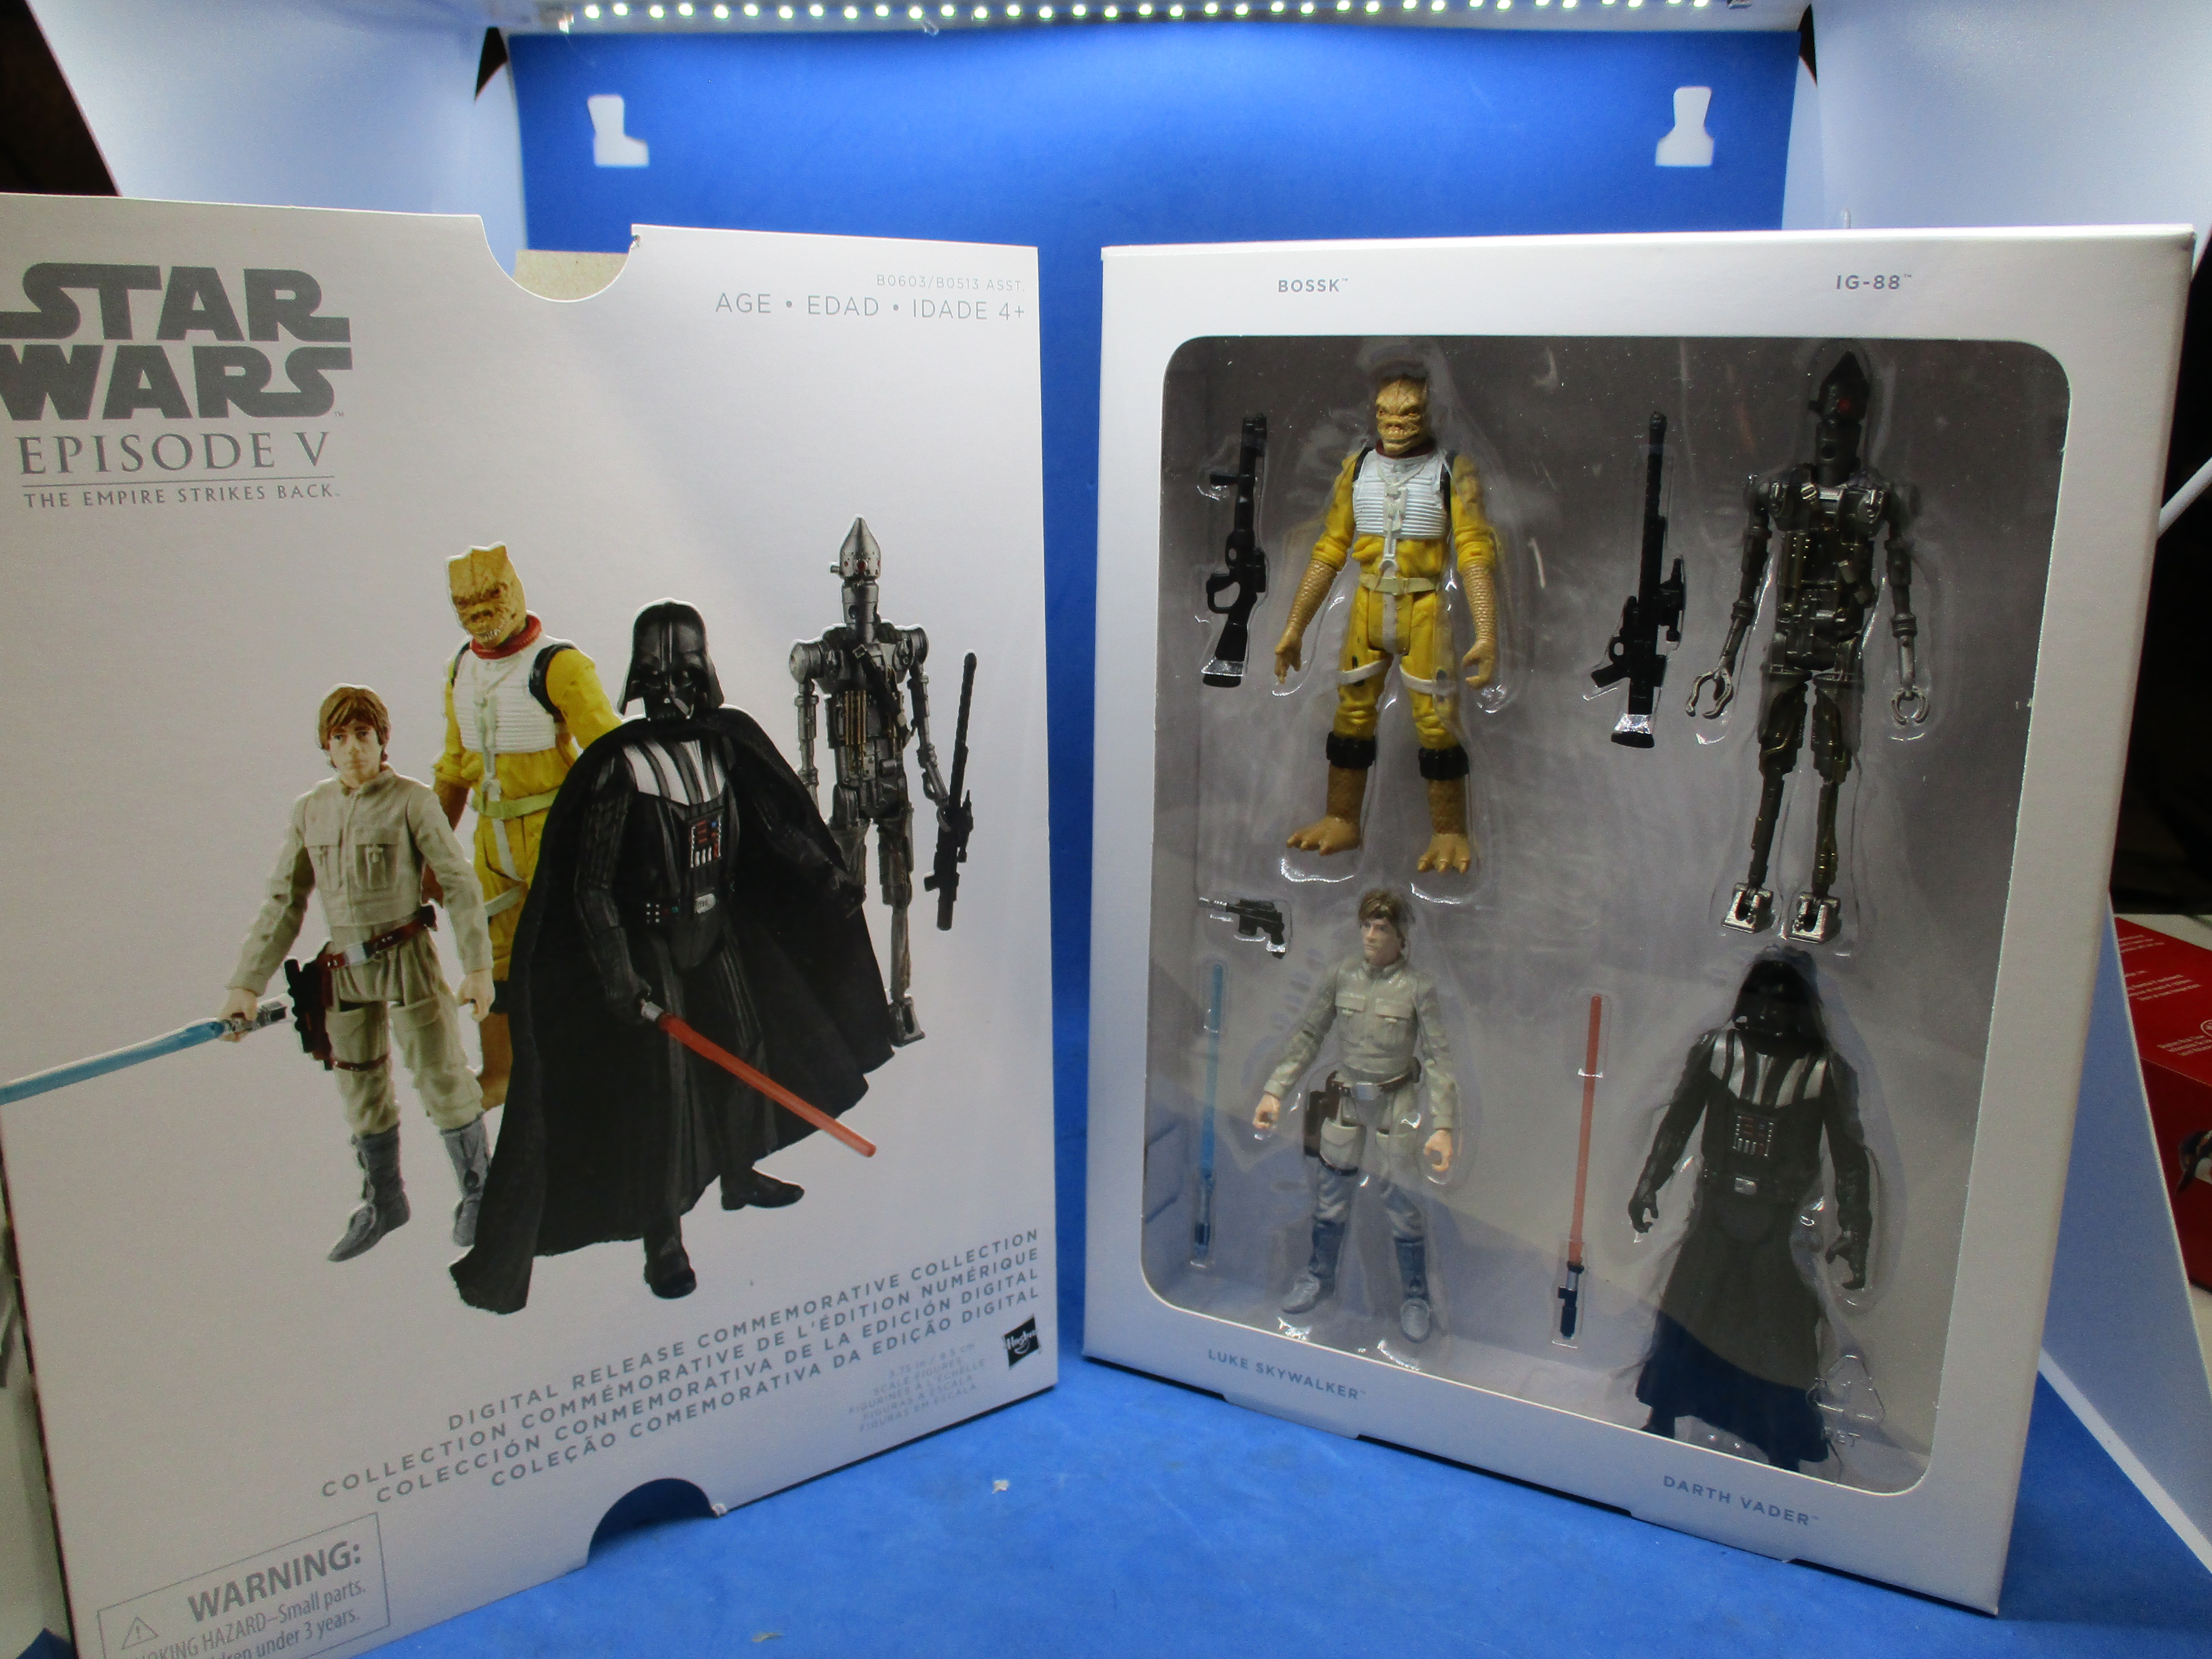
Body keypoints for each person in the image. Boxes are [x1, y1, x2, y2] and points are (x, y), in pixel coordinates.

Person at [451, 601, 897, 1313]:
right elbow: (591, 886)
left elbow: (775, 829)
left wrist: (826, 875)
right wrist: (619, 974)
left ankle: (740, 1175)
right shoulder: (618, 767)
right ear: (637, 682)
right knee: (666, 1090)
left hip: (718, 928)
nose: (671, 694)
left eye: (684, 677)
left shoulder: (725, 748)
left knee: (746, 1046)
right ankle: (664, 1237)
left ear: (704, 675)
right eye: (656, 681)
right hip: (651, 940)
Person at [219, 685, 494, 1262]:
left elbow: (459, 882)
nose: (352, 749)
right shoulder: (311, 811)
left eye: (363, 735)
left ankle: (481, 1194)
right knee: (360, 1089)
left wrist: (477, 967)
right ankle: (384, 1200)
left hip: (407, 960)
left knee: (442, 1076)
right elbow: (284, 901)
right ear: (326, 745)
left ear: (381, 739)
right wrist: (246, 985)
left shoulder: (413, 802)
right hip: (342, 971)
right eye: (340, 738)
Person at [1628, 952, 1873, 1472]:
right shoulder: (1718, 1051)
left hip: (1779, 1219)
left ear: (1802, 1007)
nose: (1769, 1012)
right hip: (1717, 1206)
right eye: (1761, 998)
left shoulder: (1822, 1070)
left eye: (1782, 1002)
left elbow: (1850, 1157)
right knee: (1687, 1314)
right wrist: (1649, 1183)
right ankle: (1663, 1414)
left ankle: (1784, 1442)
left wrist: (1855, 1227)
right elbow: (1677, 1123)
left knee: (1780, 1333)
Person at [1272, 370, 1501, 874]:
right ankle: (1341, 818)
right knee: (1351, 715)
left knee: (1437, 722)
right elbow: (1329, 549)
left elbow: (1474, 552)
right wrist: (1295, 628)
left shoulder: (1452, 471)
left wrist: (1486, 632)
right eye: (1385, 414)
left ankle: (1450, 831)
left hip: (1424, 612)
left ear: (1429, 414)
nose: (1396, 424)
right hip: (1368, 606)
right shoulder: (1357, 468)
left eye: (1409, 414)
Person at [432, 544, 621, 1106]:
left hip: (553, 832)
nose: (480, 615)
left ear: (513, 592)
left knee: (571, 948)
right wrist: (431, 854)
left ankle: (587, 1073)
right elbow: (453, 769)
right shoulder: (461, 670)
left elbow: (612, 755)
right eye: (466, 605)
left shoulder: (560, 666)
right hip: (490, 839)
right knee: (491, 957)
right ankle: (502, 1072)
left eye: (489, 600)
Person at [1253, 889, 1457, 1340]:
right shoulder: (1342, 976)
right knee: (1331, 1195)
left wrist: (1443, 1127)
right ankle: (1318, 1276)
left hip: (1396, 1104)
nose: (1370, 935)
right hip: (1347, 1100)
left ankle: (1416, 1296)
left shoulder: (1417, 987)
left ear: (1401, 936)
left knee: (1403, 1203)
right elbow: (1309, 1035)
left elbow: (1438, 1059)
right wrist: (1274, 1092)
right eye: (1366, 926)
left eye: (1381, 928)